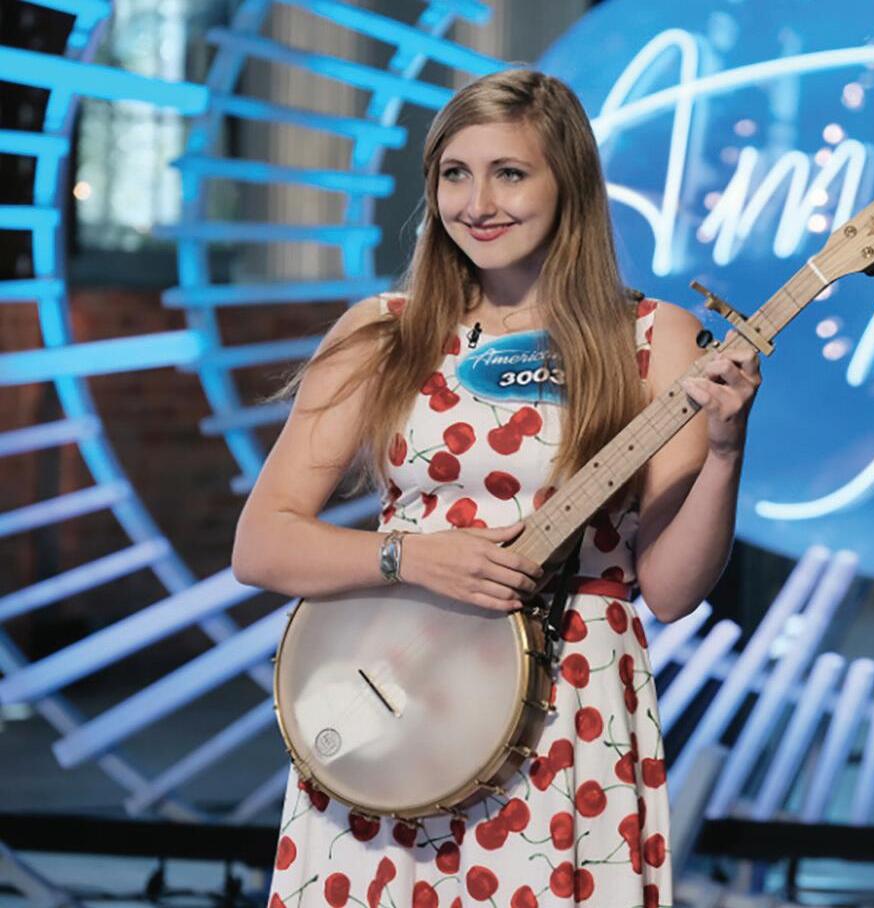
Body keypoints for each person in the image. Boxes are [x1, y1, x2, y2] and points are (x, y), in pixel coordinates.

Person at [232, 69, 760, 908]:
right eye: (455, 174)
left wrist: (726, 450)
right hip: (397, 706)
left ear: (568, 184)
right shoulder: (383, 331)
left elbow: (669, 591)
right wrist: (412, 558)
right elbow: (261, 545)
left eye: (509, 173)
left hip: (572, 709)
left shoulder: (657, 339)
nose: (478, 203)